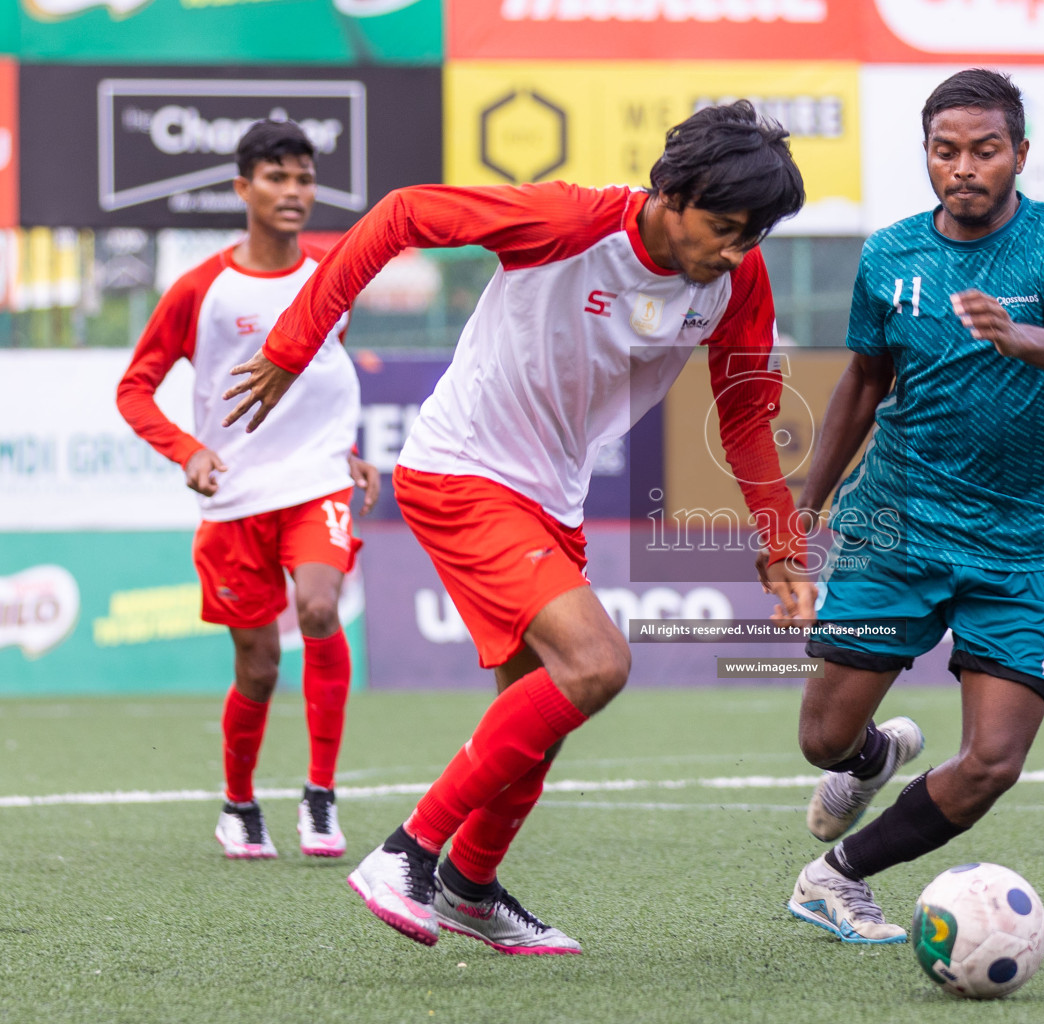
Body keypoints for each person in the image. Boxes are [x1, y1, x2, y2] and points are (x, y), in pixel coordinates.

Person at [223, 102, 817, 955]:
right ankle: (409, 853)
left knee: (534, 717)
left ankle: (470, 885)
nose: (736, 249)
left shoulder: (736, 278)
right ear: (672, 194)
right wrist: (294, 341)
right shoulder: (570, 220)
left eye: (753, 234)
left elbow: (748, 409)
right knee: (597, 663)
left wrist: (782, 543)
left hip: (551, 496)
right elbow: (401, 215)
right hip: (462, 470)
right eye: (724, 227)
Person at [782, 68, 1044, 944]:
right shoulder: (891, 254)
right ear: (926, 155)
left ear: (1019, 154)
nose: (963, 167)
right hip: (897, 525)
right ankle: (870, 756)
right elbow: (865, 378)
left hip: (1026, 545)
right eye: (945, 151)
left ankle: (838, 878)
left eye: (983, 150)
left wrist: (1019, 335)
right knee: (822, 740)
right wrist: (807, 502)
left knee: (992, 762)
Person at [116, 120, 379, 860]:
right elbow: (135, 390)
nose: (293, 192)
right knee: (258, 665)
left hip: (319, 481)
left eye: (303, 179)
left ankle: (321, 797)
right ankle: (238, 804)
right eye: (276, 178)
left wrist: (348, 451)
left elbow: (327, 371)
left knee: (321, 607)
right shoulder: (201, 288)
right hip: (234, 498)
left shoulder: (332, 275)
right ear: (243, 188)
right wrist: (188, 451)